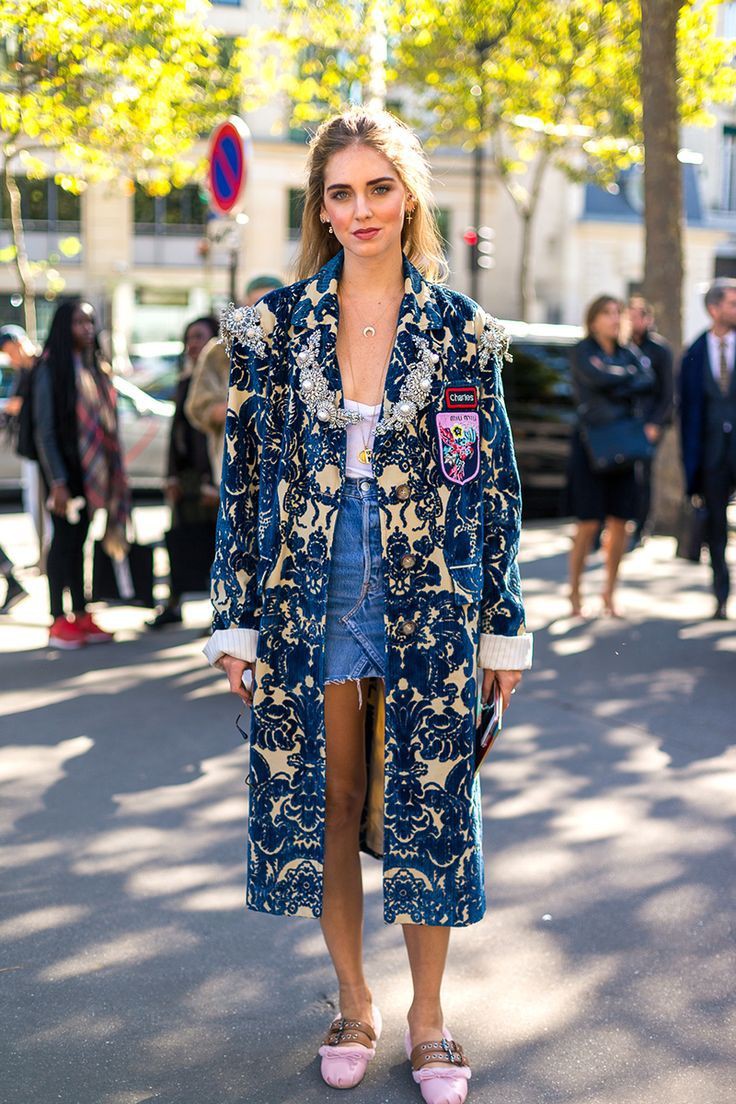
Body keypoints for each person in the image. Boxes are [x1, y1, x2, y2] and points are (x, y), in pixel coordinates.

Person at [203, 107, 533, 1103]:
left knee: (426, 802)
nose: (361, 209)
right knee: (330, 804)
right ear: (318, 205)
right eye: (340, 192)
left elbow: (492, 487)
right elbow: (245, 482)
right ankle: (353, 1000)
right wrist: (236, 616)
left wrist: (502, 624)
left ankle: (429, 1018)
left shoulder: (461, 332)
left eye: (378, 187)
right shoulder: (271, 330)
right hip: (310, 594)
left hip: (428, 594)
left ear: (409, 195)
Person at [32, 299, 130, 649]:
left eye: (90, 322)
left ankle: (81, 613)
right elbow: (44, 432)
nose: (87, 329)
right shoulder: (50, 368)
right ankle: (58, 620)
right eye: (78, 323)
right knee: (62, 544)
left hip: (92, 473)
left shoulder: (93, 366)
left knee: (81, 543)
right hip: (64, 475)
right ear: (63, 326)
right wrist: (57, 481)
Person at [567, 295, 655, 618]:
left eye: (618, 313)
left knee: (622, 523)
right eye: (607, 313)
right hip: (591, 447)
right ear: (592, 320)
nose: (614, 318)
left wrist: (616, 380)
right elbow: (599, 380)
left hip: (625, 448)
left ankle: (609, 593)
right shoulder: (582, 351)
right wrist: (624, 381)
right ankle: (575, 593)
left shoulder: (628, 352)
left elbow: (648, 380)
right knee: (588, 524)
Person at [147, 316, 220, 630]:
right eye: (189, 338)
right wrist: (171, 476)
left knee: (214, 544)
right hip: (186, 476)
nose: (193, 344)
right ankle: (174, 603)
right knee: (179, 538)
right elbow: (177, 433)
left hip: (208, 478)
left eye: (199, 337)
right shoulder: (185, 380)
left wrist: (210, 480)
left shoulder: (219, 383)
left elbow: (212, 438)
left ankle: (219, 613)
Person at [185, 275, 283, 476]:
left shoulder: (297, 347)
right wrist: (241, 407)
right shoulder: (221, 351)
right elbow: (198, 407)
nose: (263, 313)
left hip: (284, 466)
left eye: (271, 304)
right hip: (235, 462)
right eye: (257, 305)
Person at [680, 279, 736, 620]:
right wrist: (691, 466)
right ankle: (721, 596)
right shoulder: (695, 353)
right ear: (714, 309)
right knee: (716, 530)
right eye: (732, 303)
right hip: (712, 458)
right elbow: (687, 414)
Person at [626, 297, 674, 544]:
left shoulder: (659, 349)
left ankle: (641, 528)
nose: (632, 321)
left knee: (643, 476)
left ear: (647, 319)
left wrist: (655, 423)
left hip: (650, 423)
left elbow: (668, 393)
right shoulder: (621, 345)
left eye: (637, 316)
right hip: (625, 423)